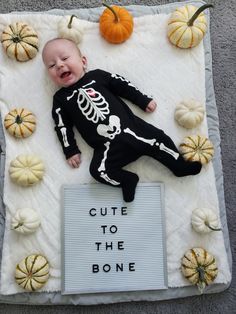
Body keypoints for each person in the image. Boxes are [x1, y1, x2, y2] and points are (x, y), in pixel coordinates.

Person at [42, 38, 202, 202]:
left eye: (65, 58)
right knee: (98, 172)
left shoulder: (97, 76)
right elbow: (62, 126)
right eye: (51, 65)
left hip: (132, 129)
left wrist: (142, 100)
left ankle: (179, 166)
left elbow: (121, 84)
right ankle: (127, 180)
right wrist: (70, 150)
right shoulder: (61, 99)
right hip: (107, 147)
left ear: (83, 61)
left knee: (159, 138)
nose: (59, 65)